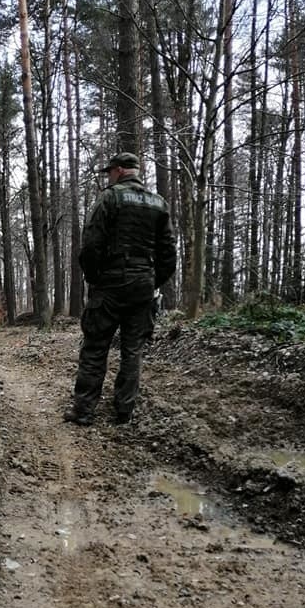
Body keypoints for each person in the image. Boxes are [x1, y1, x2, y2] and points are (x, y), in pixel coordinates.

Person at [64, 152, 176, 427]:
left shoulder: (110, 198)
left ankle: (84, 411)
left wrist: (95, 278)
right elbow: (168, 254)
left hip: (111, 284)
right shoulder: (158, 203)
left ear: (118, 170)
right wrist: (151, 281)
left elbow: (91, 244)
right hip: (142, 286)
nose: (108, 177)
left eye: (109, 172)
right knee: (133, 351)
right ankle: (124, 412)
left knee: (95, 347)